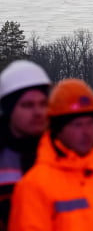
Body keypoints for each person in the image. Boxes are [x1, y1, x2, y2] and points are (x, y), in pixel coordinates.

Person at [8, 78, 93, 231]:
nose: (86, 132)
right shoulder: (34, 187)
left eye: (90, 123)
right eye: (77, 125)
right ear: (58, 130)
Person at [0, 60, 51, 231]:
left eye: (43, 104)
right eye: (28, 105)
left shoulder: (65, 155)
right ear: (9, 110)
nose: (38, 112)